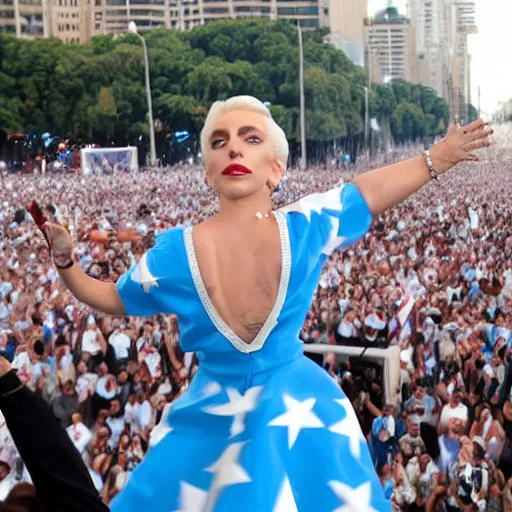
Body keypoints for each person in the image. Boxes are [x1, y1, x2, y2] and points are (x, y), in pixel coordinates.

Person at [34, 96, 490, 510]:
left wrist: (438, 158)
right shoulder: (175, 251)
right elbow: (113, 297)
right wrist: (68, 263)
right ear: (208, 169)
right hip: (209, 420)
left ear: (275, 168)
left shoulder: (304, 226)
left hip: (303, 408)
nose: (234, 149)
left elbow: (367, 193)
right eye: (220, 141)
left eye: (250, 139)